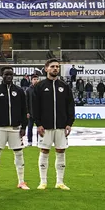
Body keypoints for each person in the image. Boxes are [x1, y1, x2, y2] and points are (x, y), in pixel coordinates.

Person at [32, 59, 75, 190]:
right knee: (44, 151)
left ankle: (60, 182)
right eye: (52, 66)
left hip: (61, 126)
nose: (55, 68)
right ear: (46, 69)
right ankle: (43, 181)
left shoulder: (65, 86)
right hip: (45, 126)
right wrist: (38, 123)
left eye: (57, 66)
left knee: (61, 151)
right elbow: (35, 107)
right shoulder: (39, 86)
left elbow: (70, 105)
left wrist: (69, 123)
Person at [0, 67, 29, 190]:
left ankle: (21, 181)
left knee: (19, 153)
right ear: (2, 75)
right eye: (6, 74)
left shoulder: (19, 91)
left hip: (16, 128)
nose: (9, 76)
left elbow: (24, 110)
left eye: (11, 74)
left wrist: (24, 127)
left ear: (13, 76)